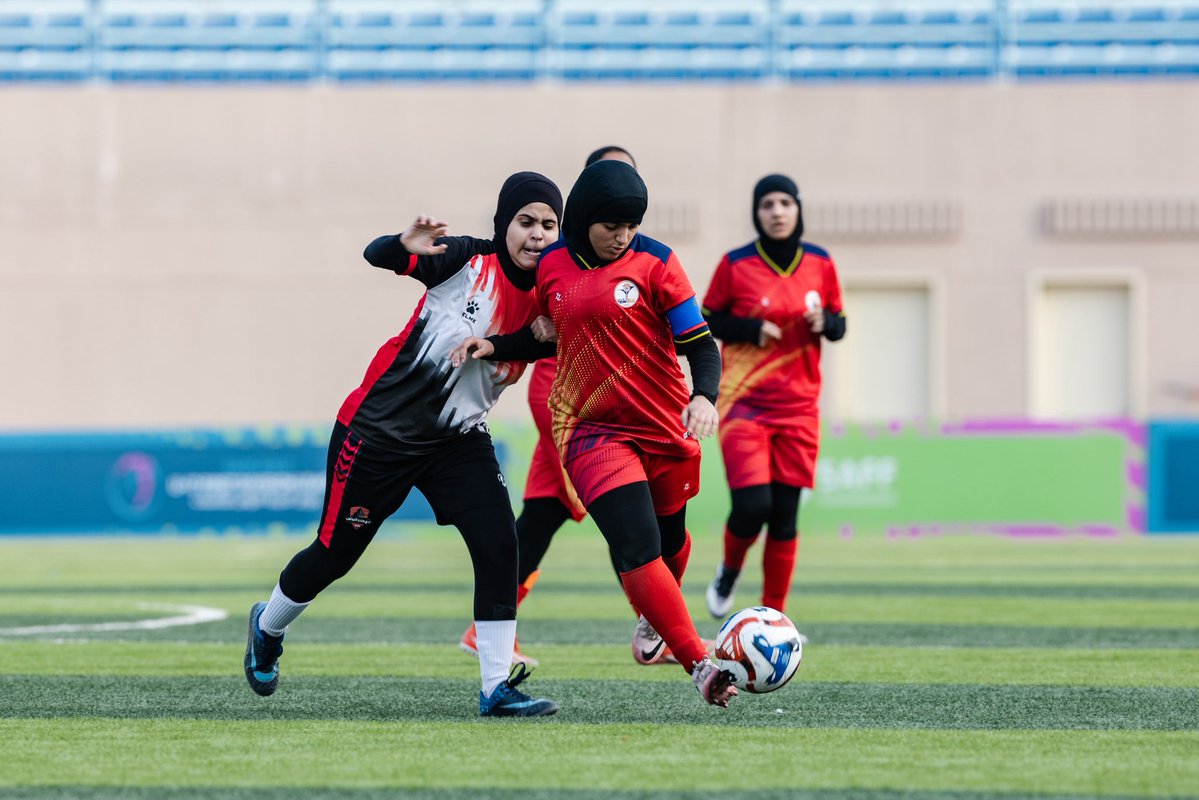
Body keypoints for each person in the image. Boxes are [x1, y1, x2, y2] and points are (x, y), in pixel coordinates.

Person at [243, 172, 564, 718]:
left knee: (499, 542)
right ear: (502, 225)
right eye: (525, 222)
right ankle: (267, 627)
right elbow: (377, 255)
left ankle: (494, 687)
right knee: (333, 556)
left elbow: (530, 342)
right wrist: (400, 246)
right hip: (378, 432)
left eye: (548, 224)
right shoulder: (465, 259)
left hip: (458, 439)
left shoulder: (556, 294)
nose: (537, 234)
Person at [453, 160, 738, 707]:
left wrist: (704, 396)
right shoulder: (552, 265)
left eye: (631, 225)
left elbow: (700, 345)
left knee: (671, 545)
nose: (622, 236)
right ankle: (699, 665)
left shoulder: (658, 264)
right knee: (636, 547)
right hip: (590, 431)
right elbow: (544, 336)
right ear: (585, 218)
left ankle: (655, 623)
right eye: (612, 225)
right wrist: (498, 345)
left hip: (663, 427)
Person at [458, 145, 670, 668]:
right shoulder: (563, 254)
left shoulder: (634, 255)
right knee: (621, 514)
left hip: (606, 401)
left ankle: (483, 629)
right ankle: (655, 627)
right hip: (570, 400)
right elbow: (533, 306)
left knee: (541, 518)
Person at [701, 174, 846, 622]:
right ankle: (729, 569)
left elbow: (840, 323)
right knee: (752, 507)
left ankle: (776, 619)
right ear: (756, 212)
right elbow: (706, 318)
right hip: (745, 404)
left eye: (785, 202)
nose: (777, 211)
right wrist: (749, 328)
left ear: (798, 209)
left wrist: (829, 323)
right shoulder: (736, 263)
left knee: (784, 518)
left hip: (800, 408)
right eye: (768, 204)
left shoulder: (820, 262)